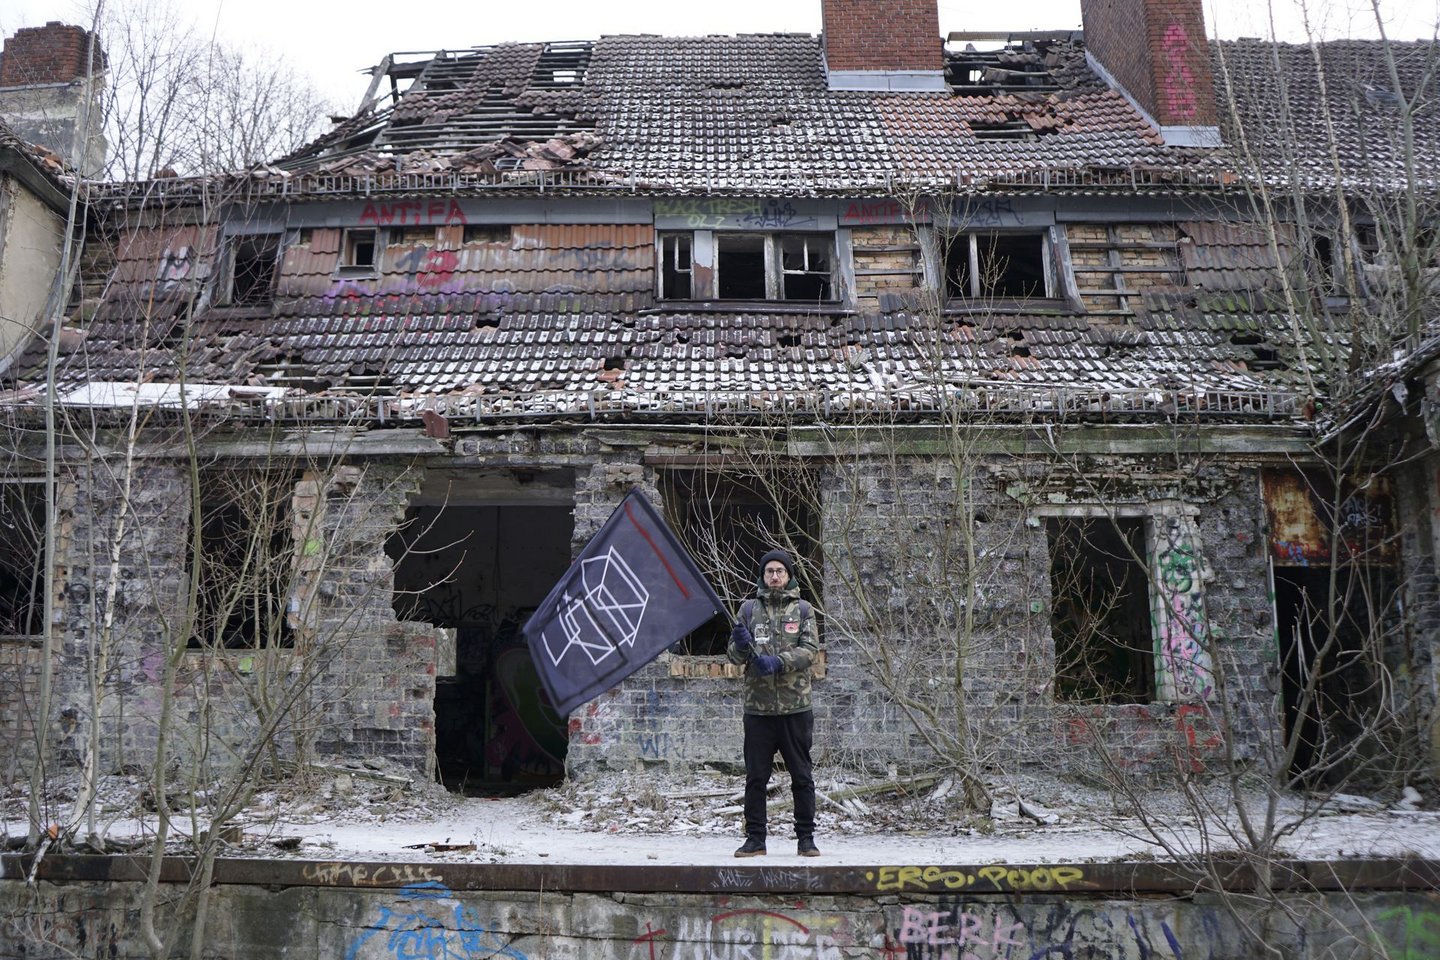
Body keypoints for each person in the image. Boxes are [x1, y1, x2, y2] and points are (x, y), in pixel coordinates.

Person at [727, 549, 820, 858]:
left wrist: (779, 662)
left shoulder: (803, 610)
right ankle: (755, 839)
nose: (775, 576)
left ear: (788, 575)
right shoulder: (748, 610)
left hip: (796, 708)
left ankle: (806, 838)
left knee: (801, 776)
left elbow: (810, 650)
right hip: (758, 710)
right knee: (756, 778)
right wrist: (741, 646)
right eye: (770, 571)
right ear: (763, 576)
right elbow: (733, 656)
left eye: (780, 571)